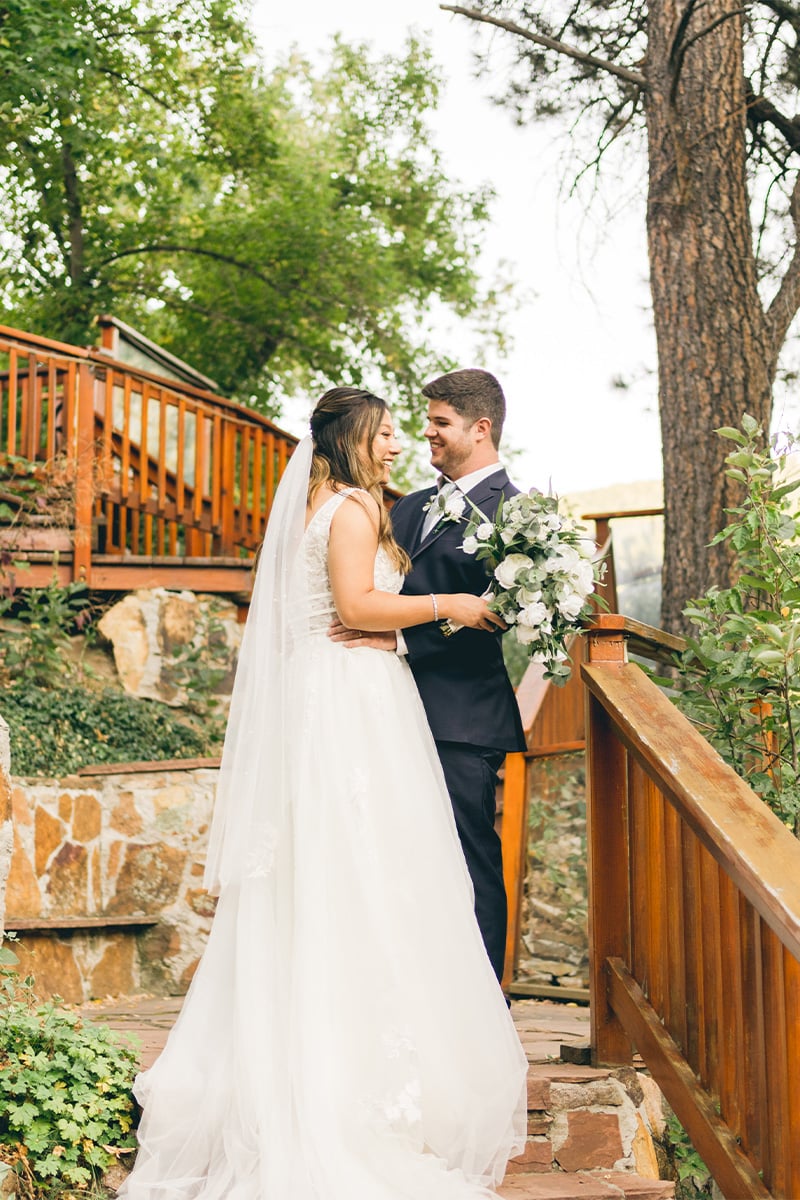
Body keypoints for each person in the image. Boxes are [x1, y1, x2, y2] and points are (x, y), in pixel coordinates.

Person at [120, 387, 528, 1200]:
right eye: (383, 435)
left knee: (358, 873)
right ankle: (344, 1070)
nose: (396, 447)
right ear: (351, 441)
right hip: (347, 700)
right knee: (359, 871)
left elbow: (355, 610)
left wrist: (394, 622)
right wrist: (453, 604)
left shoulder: (340, 502)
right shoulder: (347, 509)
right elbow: (353, 605)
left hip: (350, 692)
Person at [332, 369, 525, 983]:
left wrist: (394, 635)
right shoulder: (406, 505)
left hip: (461, 716)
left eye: (441, 422)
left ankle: (485, 1006)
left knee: (468, 862)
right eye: (429, 421)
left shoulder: (522, 517)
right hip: (382, 706)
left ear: (481, 427)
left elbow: (497, 616)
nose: (427, 434)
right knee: (397, 861)